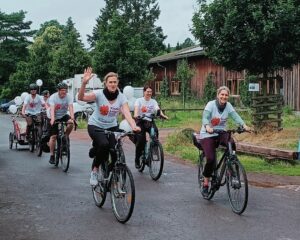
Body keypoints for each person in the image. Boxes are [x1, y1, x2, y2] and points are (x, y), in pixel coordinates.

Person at [77, 67, 140, 186]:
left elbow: (127, 113)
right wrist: (84, 83)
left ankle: (110, 173)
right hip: (95, 126)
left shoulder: (121, 97)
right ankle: (95, 170)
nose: (112, 84)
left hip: (112, 127)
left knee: (115, 151)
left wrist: (134, 126)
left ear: (117, 83)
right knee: (104, 144)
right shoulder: (99, 94)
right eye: (110, 82)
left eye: (115, 82)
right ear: (106, 83)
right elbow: (81, 98)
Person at [199, 86, 251, 196]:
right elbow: (205, 117)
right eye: (222, 94)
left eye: (226, 95)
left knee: (231, 143)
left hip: (221, 132)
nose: (224, 97)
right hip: (207, 134)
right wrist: (207, 126)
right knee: (211, 159)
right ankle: (206, 183)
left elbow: (235, 116)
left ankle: (232, 170)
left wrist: (244, 125)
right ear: (218, 95)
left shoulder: (228, 106)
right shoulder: (211, 104)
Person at [133, 85, 168, 169]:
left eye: (150, 92)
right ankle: (137, 159)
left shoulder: (153, 101)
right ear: (144, 92)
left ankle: (153, 150)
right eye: (147, 91)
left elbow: (157, 109)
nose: (149, 93)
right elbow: (136, 110)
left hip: (149, 121)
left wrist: (163, 115)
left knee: (155, 132)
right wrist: (136, 115)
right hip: (140, 121)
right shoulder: (139, 101)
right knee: (141, 141)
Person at [48, 82, 74, 164]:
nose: (64, 92)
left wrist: (72, 117)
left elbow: (71, 107)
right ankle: (52, 155)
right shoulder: (53, 97)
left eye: (65, 90)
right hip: (54, 115)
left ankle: (65, 136)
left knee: (71, 123)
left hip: (63, 115)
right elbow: (52, 110)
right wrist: (52, 119)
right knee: (53, 137)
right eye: (62, 90)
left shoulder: (69, 97)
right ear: (58, 90)